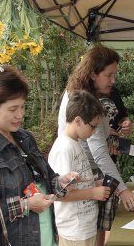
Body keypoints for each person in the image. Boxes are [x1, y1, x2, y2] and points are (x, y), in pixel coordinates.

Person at [0, 65, 78, 246]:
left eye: (22, 106)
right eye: (13, 109)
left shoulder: (25, 138)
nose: (20, 115)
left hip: (46, 237)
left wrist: (60, 182)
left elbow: (46, 179)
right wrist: (26, 205)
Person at [58, 45, 134, 246]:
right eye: (109, 75)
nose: (113, 81)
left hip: (91, 179)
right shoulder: (85, 101)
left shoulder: (87, 94)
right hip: (84, 186)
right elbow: (99, 153)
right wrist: (122, 190)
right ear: (93, 74)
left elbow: (98, 143)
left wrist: (109, 136)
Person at [48, 90, 111, 246]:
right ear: (78, 121)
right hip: (74, 232)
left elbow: (78, 183)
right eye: (93, 126)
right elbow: (60, 194)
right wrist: (93, 192)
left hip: (85, 227)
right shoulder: (64, 149)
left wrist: (96, 184)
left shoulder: (75, 143)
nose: (95, 131)